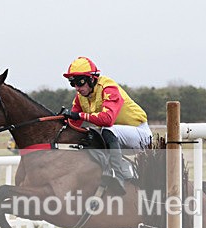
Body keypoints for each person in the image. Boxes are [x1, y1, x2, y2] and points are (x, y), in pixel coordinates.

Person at [62, 56, 152, 194]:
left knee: (106, 129)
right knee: (89, 136)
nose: (77, 88)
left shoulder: (108, 87)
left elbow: (107, 119)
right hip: (117, 139)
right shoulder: (80, 98)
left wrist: (80, 115)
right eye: (72, 83)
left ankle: (118, 175)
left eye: (79, 82)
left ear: (92, 79)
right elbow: (72, 125)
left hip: (140, 136)